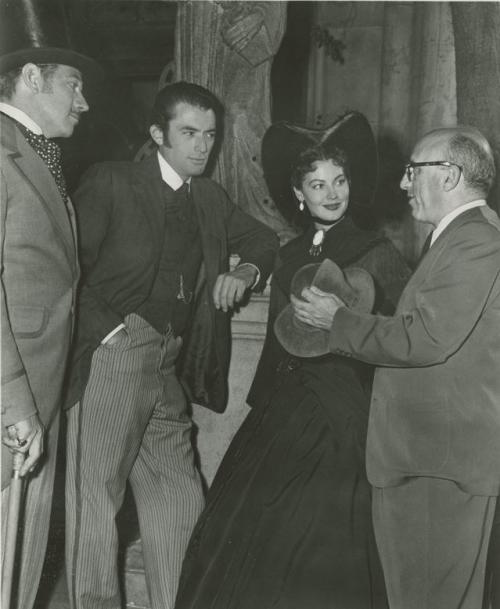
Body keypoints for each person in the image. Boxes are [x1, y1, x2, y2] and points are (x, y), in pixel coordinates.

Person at [174, 113, 410, 609]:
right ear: (299, 195)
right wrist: (264, 404)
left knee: (328, 538)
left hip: (345, 410)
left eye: (339, 181)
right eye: (317, 184)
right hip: (283, 409)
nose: (332, 193)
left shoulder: (377, 252)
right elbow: (277, 338)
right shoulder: (288, 252)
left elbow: (400, 338)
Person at [64, 81, 278, 609]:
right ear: (158, 134)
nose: (202, 146)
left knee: (179, 499)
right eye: (188, 133)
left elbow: (263, 240)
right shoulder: (112, 181)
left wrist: (246, 271)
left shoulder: (207, 195)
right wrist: (112, 332)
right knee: (95, 503)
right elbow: (68, 268)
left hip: (169, 361)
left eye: (209, 135)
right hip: (116, 353)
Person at [292, 126, 500, 609]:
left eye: (413, 172)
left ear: (449, 176)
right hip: (427, 458)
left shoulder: (475, 242)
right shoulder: (459, 240)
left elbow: (424, 338)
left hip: (438, 464)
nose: (404, 184)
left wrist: (338, 321)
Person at [0, 1, 92, 607]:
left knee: (22, 553)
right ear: (32, 78)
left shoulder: (35, 152)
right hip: (13, 395)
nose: (84, 103)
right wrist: (14, 401)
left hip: (41, 387)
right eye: (74, 85)